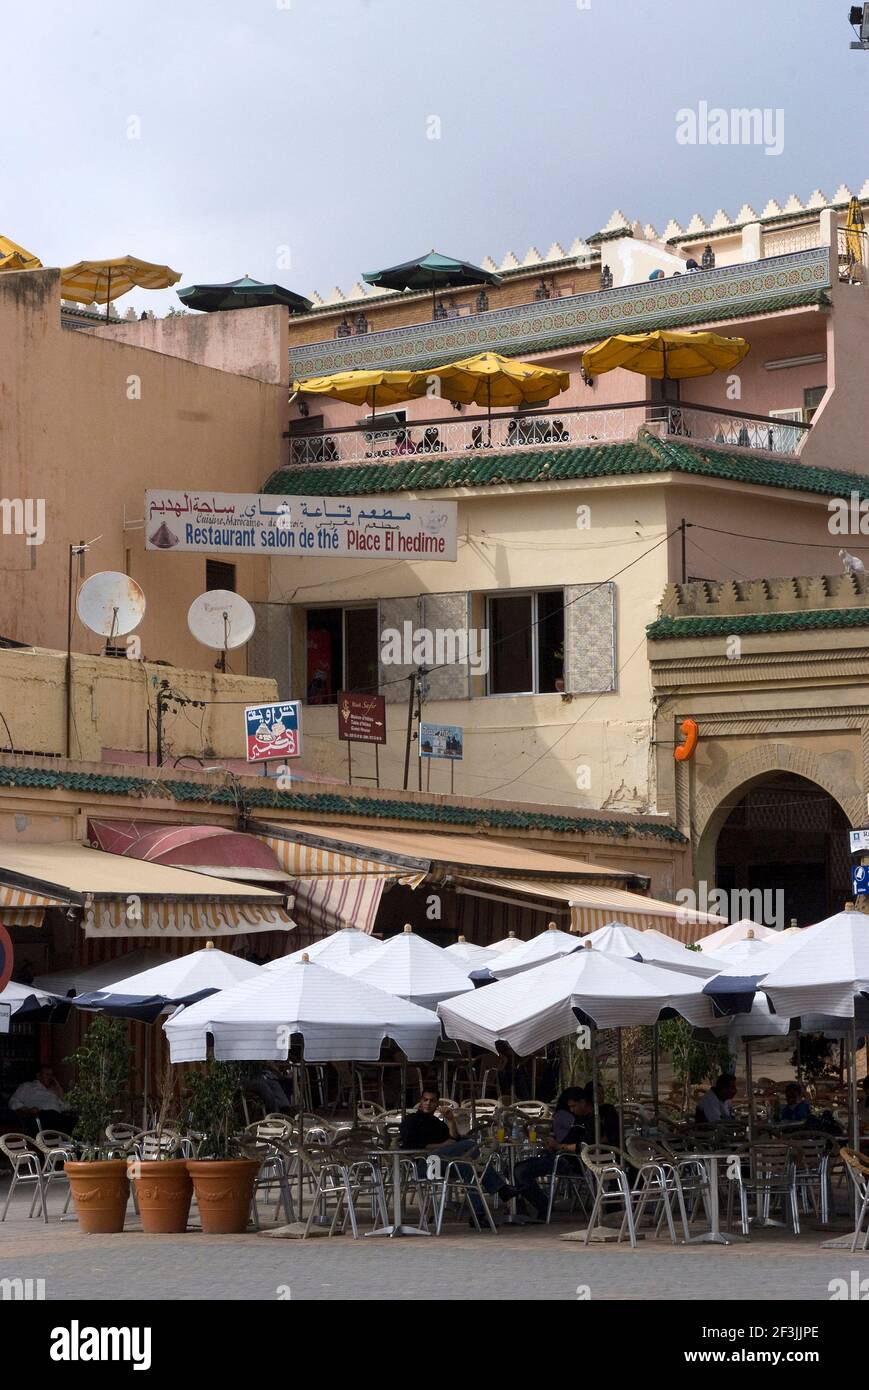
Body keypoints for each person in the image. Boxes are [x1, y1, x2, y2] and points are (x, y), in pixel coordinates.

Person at [400, 1087, 512, 1228]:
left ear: (437, 1104)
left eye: (432, 1101)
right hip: (423, 1164)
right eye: (425, 1100)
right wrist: (441, 1145)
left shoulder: (437, 1123)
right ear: (420, 1102)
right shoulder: (410, 1120)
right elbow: (410, 1144)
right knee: (470, 1145)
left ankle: (478, 1215)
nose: (428, 1103)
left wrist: (451, 1120)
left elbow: (454, 1139)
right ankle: (501, 1188)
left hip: (443, 1163)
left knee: (467, 1166)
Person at [8, 1067, 76, 1136]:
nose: (50, 1077)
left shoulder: (52, 1092)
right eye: (47, 1074)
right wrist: (27, 1110)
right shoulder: (28, 1086)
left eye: (51, 1075)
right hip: (39, 1116)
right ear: (38, 1076)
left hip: (57, 1117)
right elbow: (13, 1101)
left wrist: (58, 1085)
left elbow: (65, 1106)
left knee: (78, 1123)